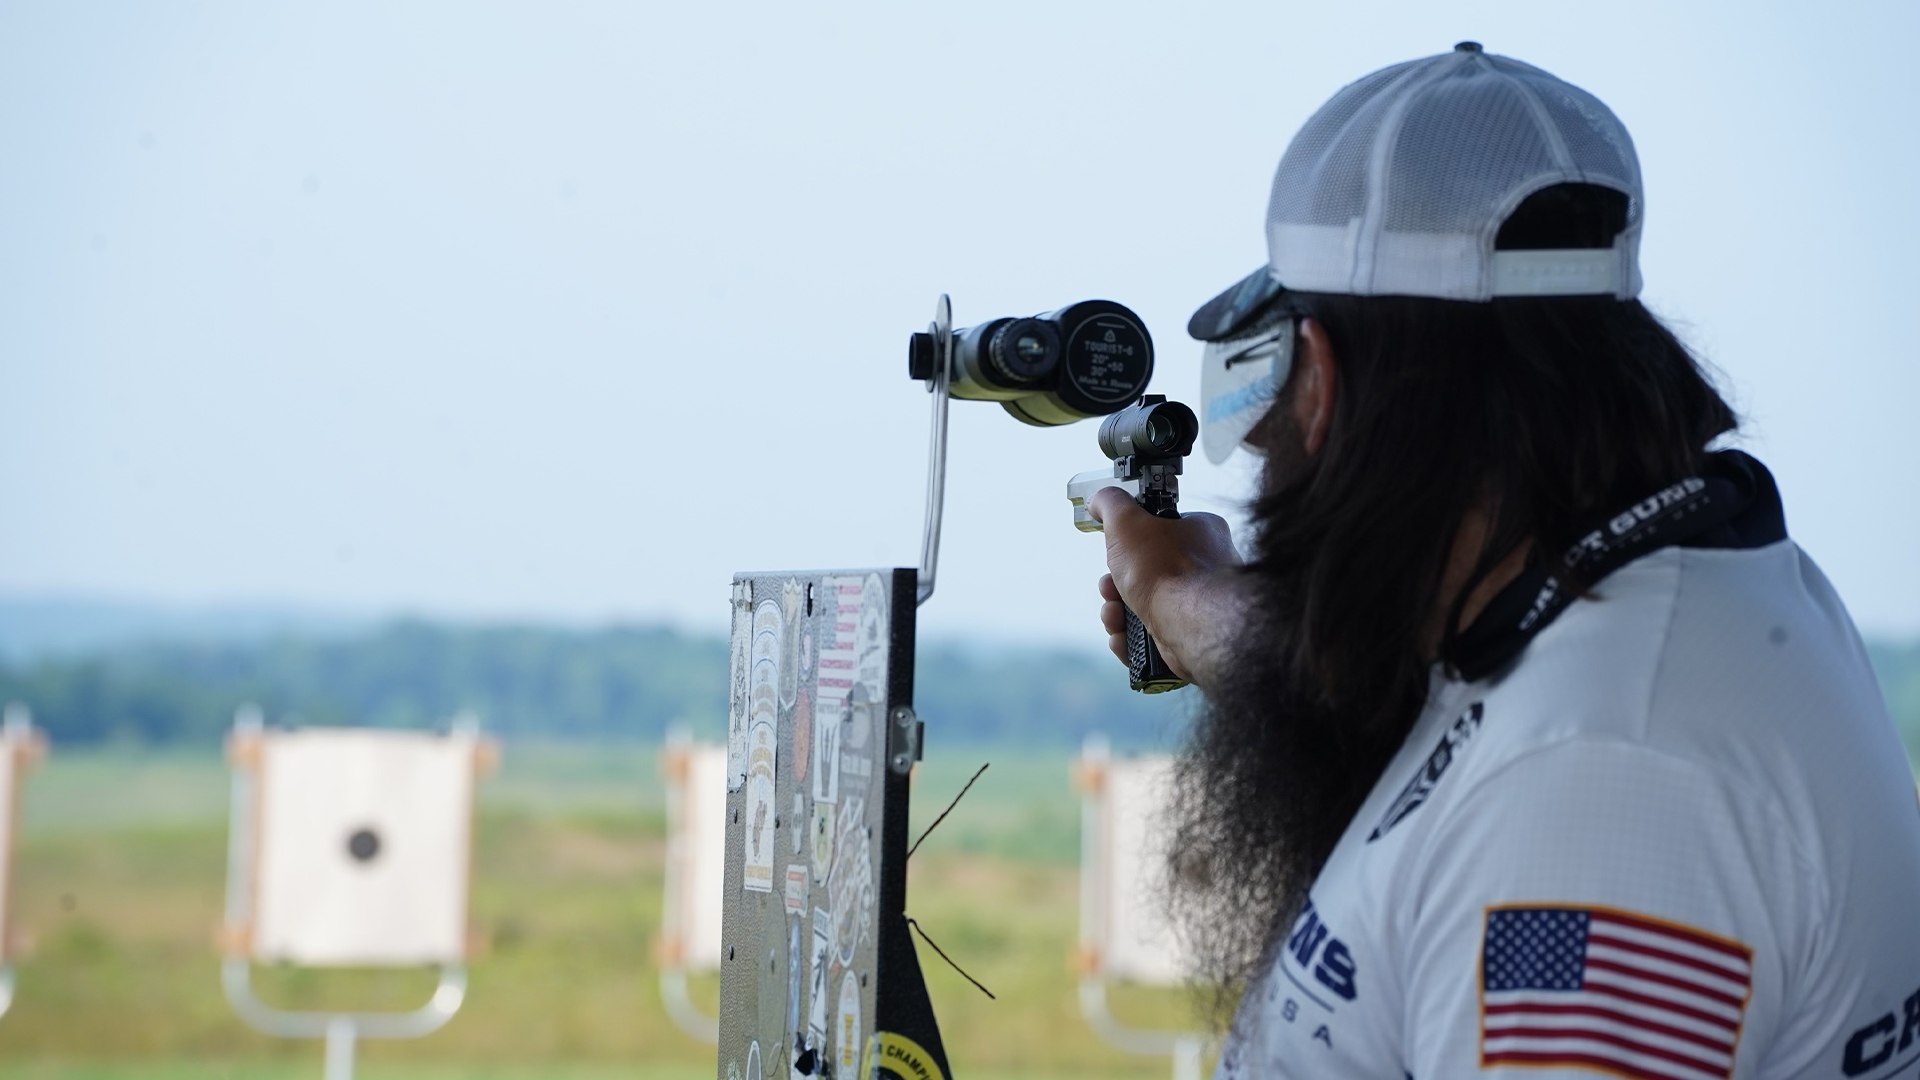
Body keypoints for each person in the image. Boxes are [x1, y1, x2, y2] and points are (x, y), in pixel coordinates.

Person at [1088, 43, 1920, 1080]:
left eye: (1266, 401)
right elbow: (1428, 709)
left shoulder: (1602, 785)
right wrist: (1178, 594)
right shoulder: (1652, 599)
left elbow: (1534, 770)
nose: (1259, 454)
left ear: (1321, 385)